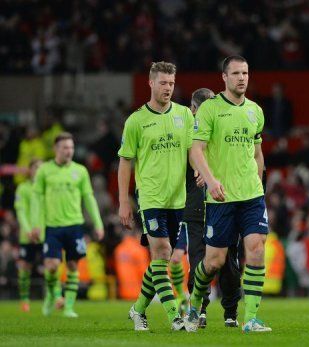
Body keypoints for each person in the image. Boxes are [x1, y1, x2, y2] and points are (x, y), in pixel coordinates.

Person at [185, 55, 271, 333]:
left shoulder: (255, 110)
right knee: (214, 262)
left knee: (256, 248)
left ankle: (252, 319)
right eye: (235, 73)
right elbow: (195, 149)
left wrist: (258, 182)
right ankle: (195, 301)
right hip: (221, 198)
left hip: (251, 195)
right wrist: (210, 181)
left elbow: (257, 153)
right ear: (224, 77)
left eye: (245, 72)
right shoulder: (210, 109)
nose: (242, 78)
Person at [118, 61, 194, 332]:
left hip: (178, 199)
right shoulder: (136, 121)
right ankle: (176, 317)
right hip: (150, 197)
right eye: (163, 83)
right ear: (150, 83)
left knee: (165, 260)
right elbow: (125, 161)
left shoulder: (185, 115)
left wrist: (202, 173)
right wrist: (124, 201)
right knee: (162, 252)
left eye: (171, 83)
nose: (168, 88)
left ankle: (138, 310)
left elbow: (193, 151)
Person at [182, 87, 242, 328]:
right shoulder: (188, 134)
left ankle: (227, 311)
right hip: (200, 205)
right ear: (193, 110)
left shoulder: (218, 128)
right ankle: (204, 309)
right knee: (204, 260)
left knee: (225, 260)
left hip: (223, 202)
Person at [32, 132, 104, 318]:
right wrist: (35, 224)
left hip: (74, 226)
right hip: (52, 227)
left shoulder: (80, 171)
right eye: (65, 148)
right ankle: (54, 296)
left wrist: (98, 223)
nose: (69, 151)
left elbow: (89, 198)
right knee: (52, 266)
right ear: (56, 149)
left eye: (71, 148)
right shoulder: (44, 171)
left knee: (73, 266)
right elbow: (37, 199)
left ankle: (69, 307)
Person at [15, 159, 49, 311]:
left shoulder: (48, 188)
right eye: (36, 167)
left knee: (51, 266)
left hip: (45, 234)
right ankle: (24, 299)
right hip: (27, 235)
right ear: (30, 170)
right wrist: (29, 230)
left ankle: (52, 297)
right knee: (24, 267)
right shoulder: (23, 188)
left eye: (41, 168)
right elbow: (20, 211)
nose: (39, 170)